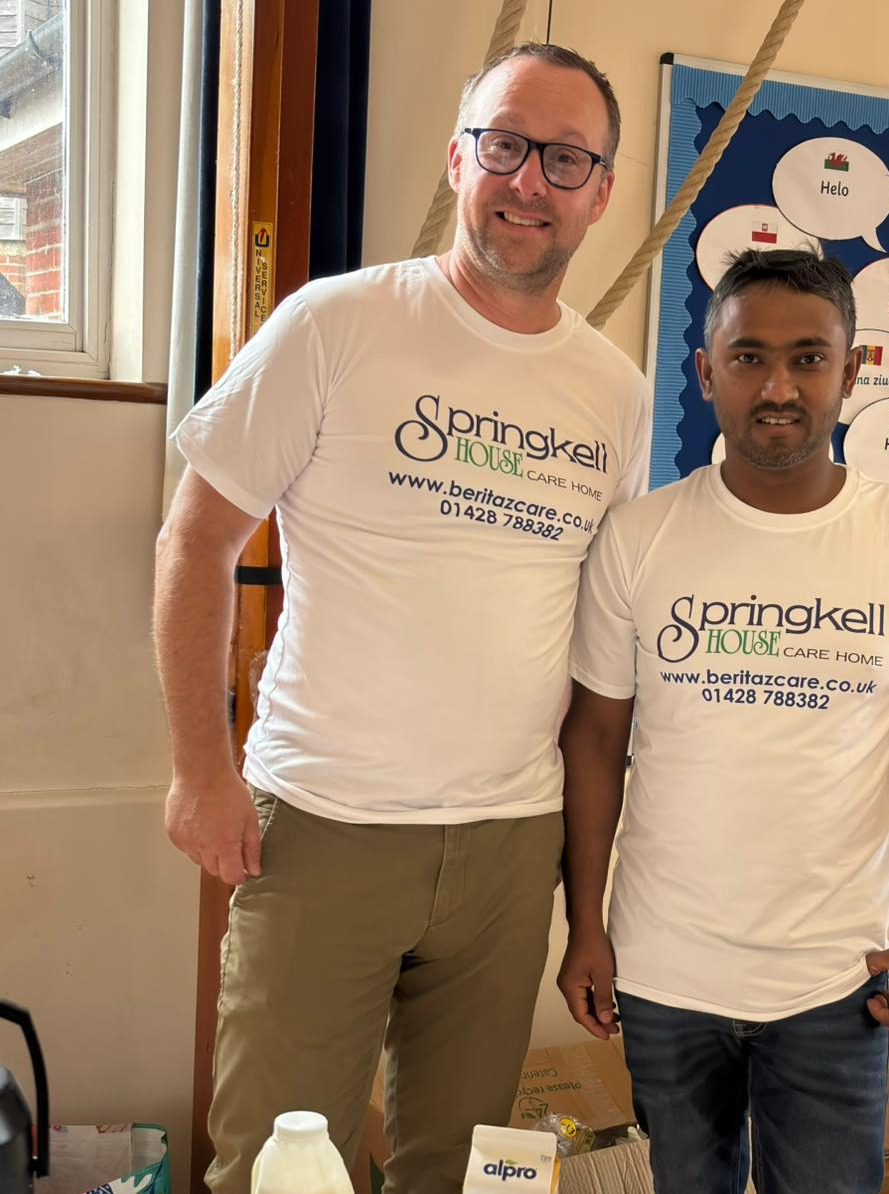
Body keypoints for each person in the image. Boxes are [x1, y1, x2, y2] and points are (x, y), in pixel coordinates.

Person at [154, 42, 648, 1194]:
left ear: (602, 191)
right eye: (506, 144)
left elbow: (598, 648)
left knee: (464, 1173)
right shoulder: (334, 325)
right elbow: (196, 541)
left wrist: (590, 893)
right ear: (460, 156)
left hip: (510, 847)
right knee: (276, 1171)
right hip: (321, 823)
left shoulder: (613, 392)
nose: (530, 180)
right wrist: (200, 768)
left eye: (566, 158)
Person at [556, 249, 889, 1194]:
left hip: (837, 980)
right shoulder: (639, 539)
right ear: (706, 370)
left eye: (809, 358)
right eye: (749, 357)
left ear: (852, 374)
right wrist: (585, 925)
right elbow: (595, 740)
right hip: (663, 973)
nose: (779, 386)